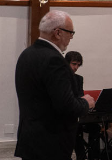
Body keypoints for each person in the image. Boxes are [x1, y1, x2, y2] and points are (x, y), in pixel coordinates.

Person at [15, 11, 95, 160]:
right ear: (58, 33)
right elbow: (65, 106)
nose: (71, 37)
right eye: (71, 33)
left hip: (30, 139)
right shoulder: (55, 60)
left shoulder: (26, 54)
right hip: (51, 143)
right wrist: (85, 103)